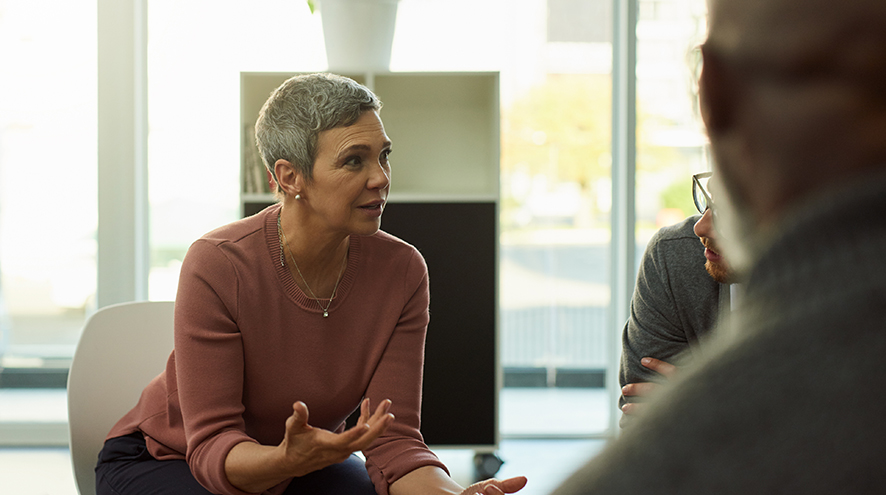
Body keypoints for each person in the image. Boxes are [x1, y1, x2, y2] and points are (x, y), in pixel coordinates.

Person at [95, 73, 526, 495]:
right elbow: (211, 445)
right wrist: (285, 460)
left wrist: (454, 494)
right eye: (354, 160)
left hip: (305, 462)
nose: (380, 177)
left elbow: (393, 443)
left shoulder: (403, 271)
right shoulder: (219, 262)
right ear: (289, 177)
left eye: (384, 155)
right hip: (167, 457)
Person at [552, 0, 886, 492]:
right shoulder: (674, 258)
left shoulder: (650, 472)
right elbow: (636, 406)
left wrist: (699, 400)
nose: (703, 227)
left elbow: (656, 418)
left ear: (712, 90)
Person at [618, 172, 735, 425]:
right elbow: (642, 426)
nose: (701, 227)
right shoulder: (673, 254)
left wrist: (709, 405)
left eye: (728, 212)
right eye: (709, 202)